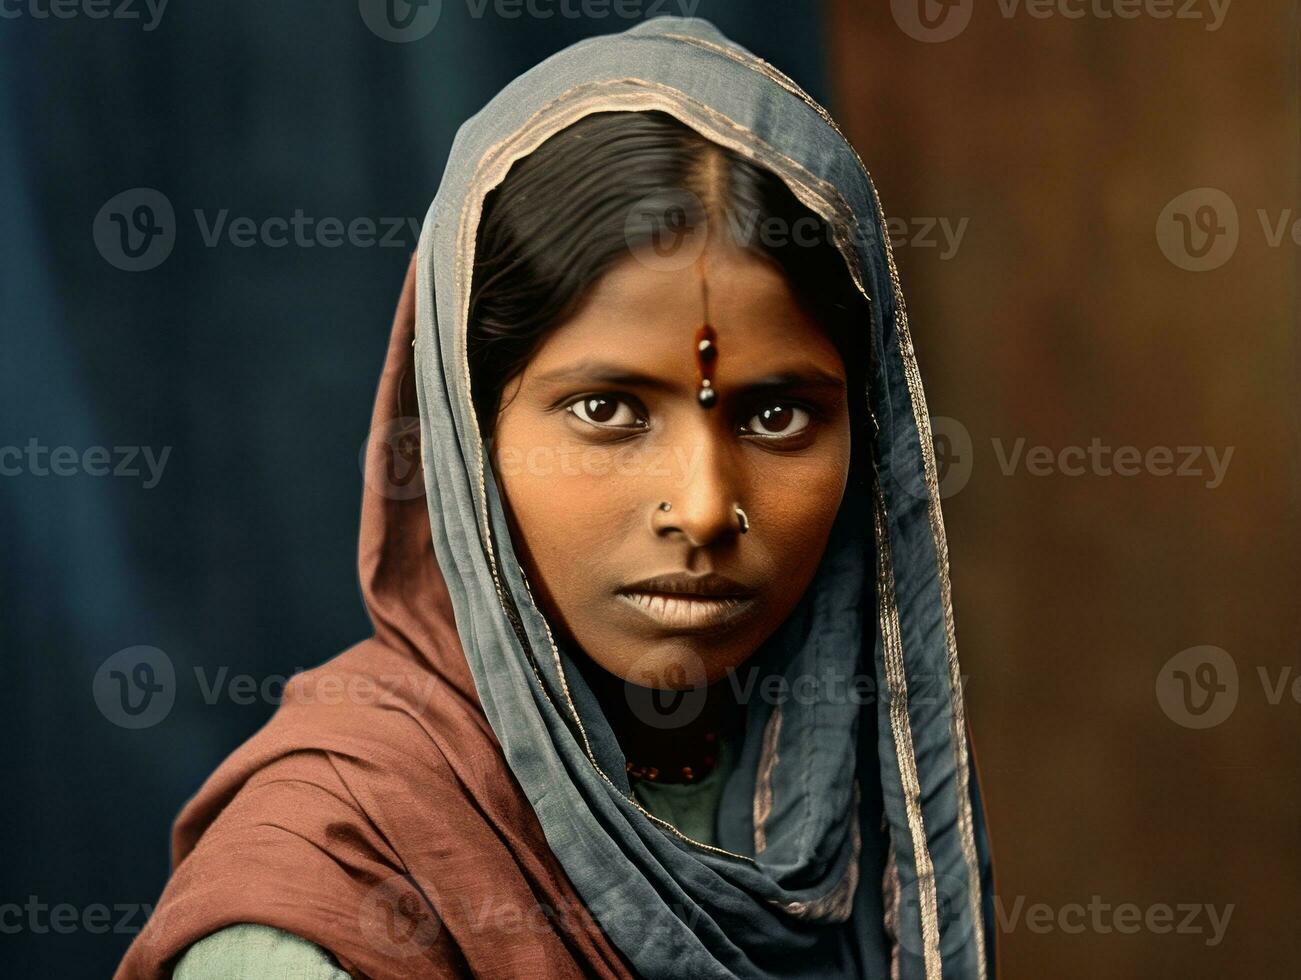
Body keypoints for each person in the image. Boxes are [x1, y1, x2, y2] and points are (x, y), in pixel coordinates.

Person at [116, 16, 996, 979]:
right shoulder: (332, 895)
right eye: (607, 409)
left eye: (779, 416)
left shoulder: (864, 804)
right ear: (466, 433)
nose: (704, 509)